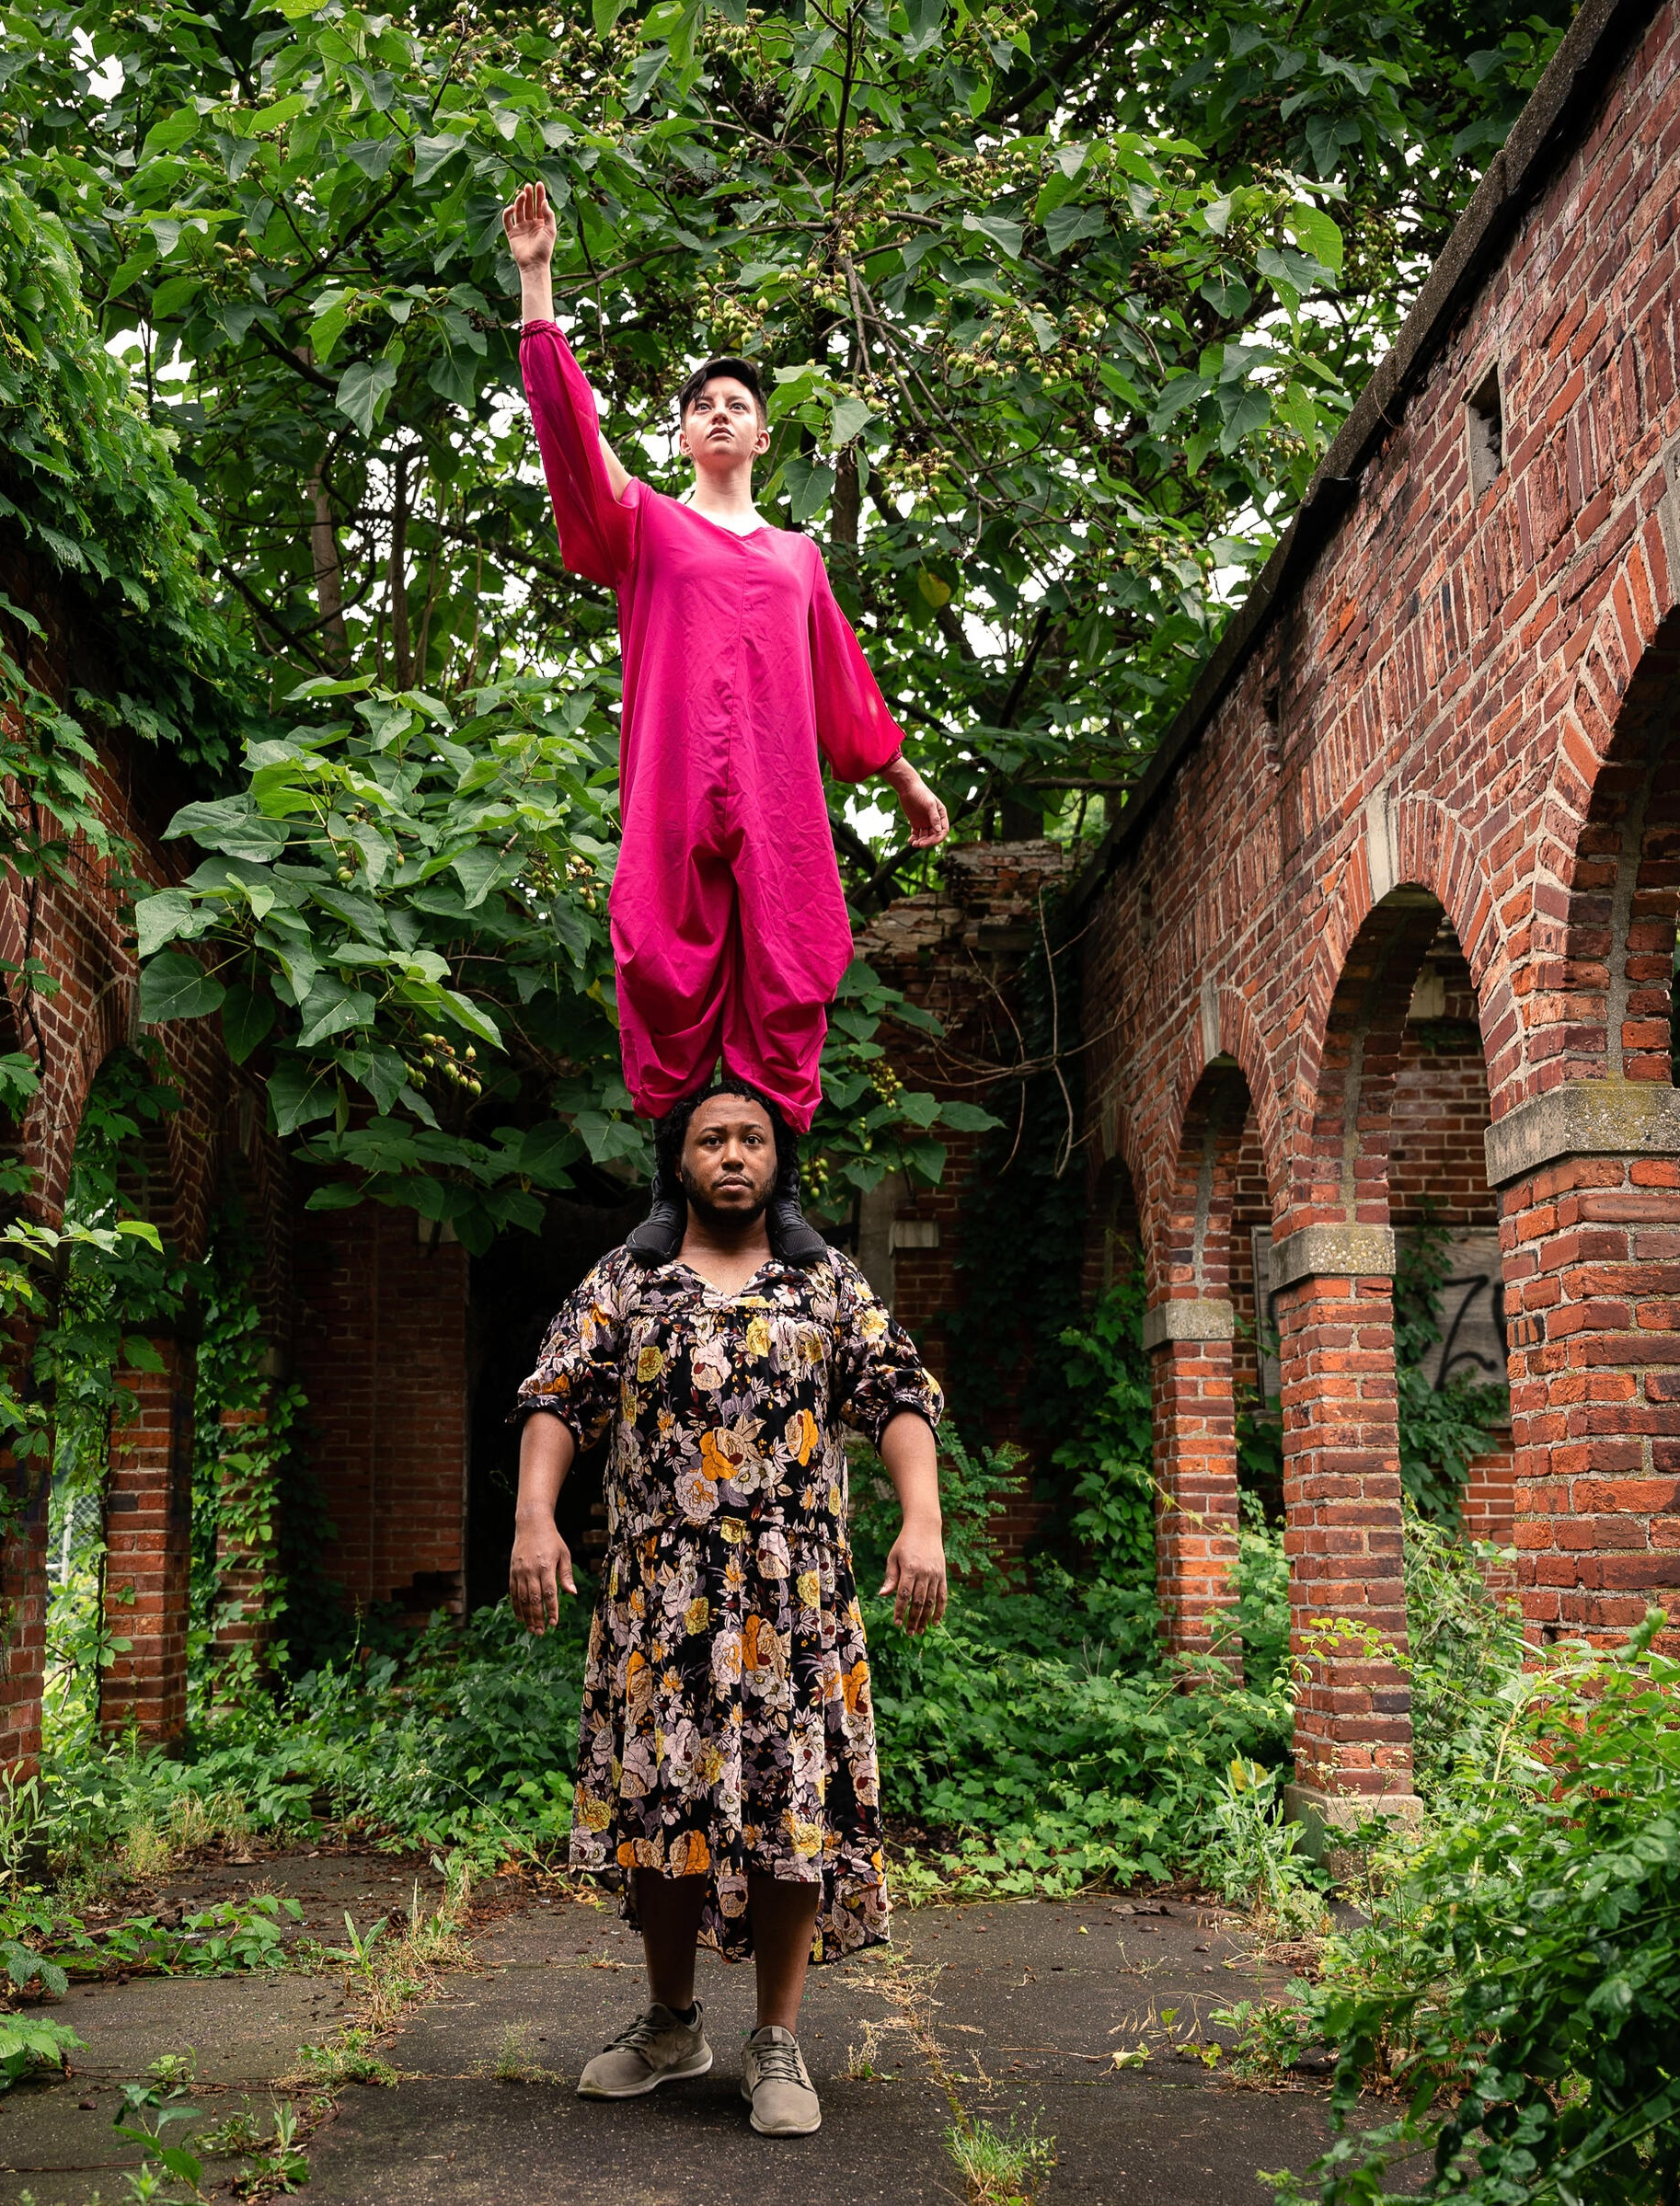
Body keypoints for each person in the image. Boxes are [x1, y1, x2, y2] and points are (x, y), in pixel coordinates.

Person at [502, 180, 949, 1269]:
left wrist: (902, 778)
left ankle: (783, 1193)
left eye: (736, 403)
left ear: (760, 433)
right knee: (661, 962)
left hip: (779, 793)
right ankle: (668, 1188)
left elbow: (841, 675)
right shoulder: (648, 526)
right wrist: (537, 283)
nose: (718, 413)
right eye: (701, 403)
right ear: (684, 433)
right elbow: (574, 441)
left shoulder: (799, 556)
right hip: (673, 782)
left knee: (789, 973)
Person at [510, 1070, 947, 2139]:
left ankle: (776, 2037)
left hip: (794, 1600)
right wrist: (533, 1518)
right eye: (713, 1139)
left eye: (753, 1136)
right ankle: (671, 2023)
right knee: (664, 1800)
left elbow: (896, 1394)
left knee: (789, 1806)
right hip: (661, 1597)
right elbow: (558, 1395)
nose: (735, 1155)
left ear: (778, 1157)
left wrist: (922, 1520)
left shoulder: (823, 1281)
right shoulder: (628, 1278)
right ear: (679, 1158)